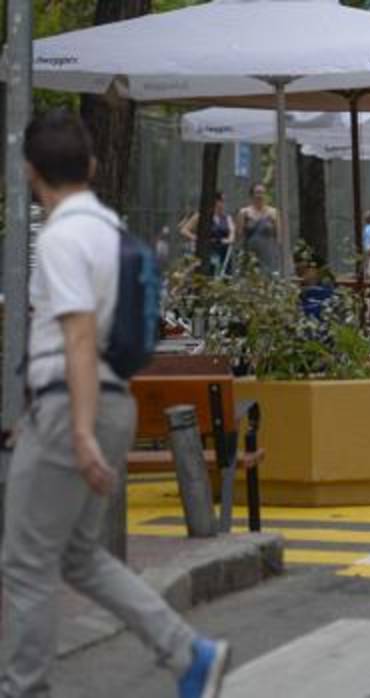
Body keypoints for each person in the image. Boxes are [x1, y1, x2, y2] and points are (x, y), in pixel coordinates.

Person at [1, 109, 230, 698]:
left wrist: (73, 431)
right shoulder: (110, 229)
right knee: (78, 556)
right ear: (94, 166)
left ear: (30, 171)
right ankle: (189, 654)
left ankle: (25, 688)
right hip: (108, 401)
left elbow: (77, 335)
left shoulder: (60, 236)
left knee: (25, 563)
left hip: (74, 406)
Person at [179, 192, 235, 276]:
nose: (223, 204)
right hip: (207, 251)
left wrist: (229, 240)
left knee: (224, 275)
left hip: (223, 251)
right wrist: (196, 238)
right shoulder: (201, 215)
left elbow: (232, 232)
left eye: (224, 201)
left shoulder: (227, 218)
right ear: (215, 201)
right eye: (221, 201)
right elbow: (184, 230)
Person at [236, 183, 281, 274]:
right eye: (257, 193)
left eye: (262, 193)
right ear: (252, 195)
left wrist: (277, 255)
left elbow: (279, 236)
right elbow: (239, 235)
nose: (260, 195)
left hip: (268, 254)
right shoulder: (244, 212)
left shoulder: (273, 213)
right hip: (249, 254)